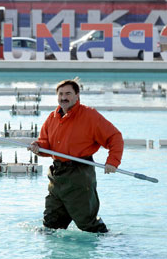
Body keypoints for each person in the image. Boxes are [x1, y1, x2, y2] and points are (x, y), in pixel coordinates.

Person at [29, 78, 124, 233]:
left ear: (77, 95)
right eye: (60, 94)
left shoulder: (90, 116)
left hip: (79, 174)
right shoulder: (52, 118)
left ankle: (115, 244)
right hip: (57, 176)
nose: (64, 97)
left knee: (88, 224)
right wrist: (38, 147)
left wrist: (113, 161)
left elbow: (115, 137)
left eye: (68, 93)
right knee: (51, 225)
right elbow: (47, 144)